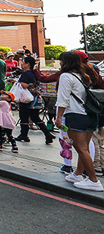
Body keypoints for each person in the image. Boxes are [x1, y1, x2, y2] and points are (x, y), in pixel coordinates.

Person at [54, 51, 103, 191]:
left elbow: (62, 99)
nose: (60, 63)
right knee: (85, 148)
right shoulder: (84, 75)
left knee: (81, 149)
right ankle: (77, 174)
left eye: (61, 60)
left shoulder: (65, 76)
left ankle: (94, 181)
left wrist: (59, 117)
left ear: (66, 62)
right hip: (90, 114)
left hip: (76, 115)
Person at [15, 56, 55, 144]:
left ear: (28, 64)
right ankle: (47, 134)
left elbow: (24, 85)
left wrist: (16, 82)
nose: (22, 64)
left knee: (24, 117)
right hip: (36, 98)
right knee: (35, 117)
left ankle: (24, 135)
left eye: (24, 62)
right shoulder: (35, 73)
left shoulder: (26, 74)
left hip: (26, 98)